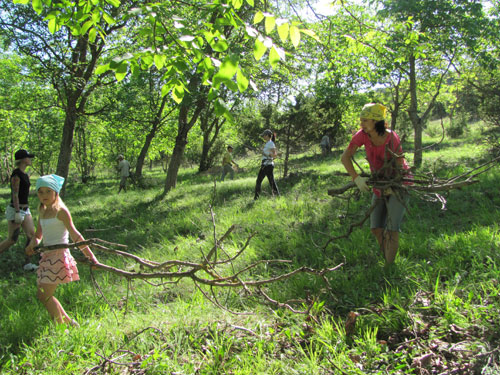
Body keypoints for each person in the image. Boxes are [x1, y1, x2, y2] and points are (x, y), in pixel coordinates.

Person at [341, 103, 410, 264]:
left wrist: (393, 187)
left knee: (392, 229)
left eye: (365, 120)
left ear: (376, 121)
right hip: (379, 184)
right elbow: (345, 157)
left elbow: (400, 164)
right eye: (361, 120)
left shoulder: (391, 137)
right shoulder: (362, 135)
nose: (361, 124)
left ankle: (389, 267)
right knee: (376, 227)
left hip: (399, 184)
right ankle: (387, 256)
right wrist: (356, 178)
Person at [25, 174, 99, 326]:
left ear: (55, 192)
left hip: (59, 256)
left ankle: (62, 326)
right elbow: (39, 234)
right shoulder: (43, 211)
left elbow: (75, 234)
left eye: (48, 191)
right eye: (40, 192)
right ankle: (69, 322)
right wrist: (33, 243)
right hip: (47, 256)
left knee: (44, 294)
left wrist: (90, 255)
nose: (44, 195)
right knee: (43, 294)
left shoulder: (61, 211)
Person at [0, 149, 38, 270]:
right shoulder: (16, 175)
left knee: (32, 235)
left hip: (26, 210)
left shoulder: (25, 174)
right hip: (16, 210)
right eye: (28, 157)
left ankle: (27, 263)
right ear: (22, 159)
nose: (30, 160)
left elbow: (24, 192)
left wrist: (41, 192)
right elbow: (15, 194)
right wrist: (17, 212)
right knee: (12, 239)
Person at [254, 129, 279, 200]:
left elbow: (274, 155)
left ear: (267, 135)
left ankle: (256, 198)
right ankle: (277, 196)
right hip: (267, 165)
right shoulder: (268, 143)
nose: (263, 137)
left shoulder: (270, 143)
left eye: (264, 135)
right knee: (272, 182)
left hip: (267, 165)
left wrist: (267, 154)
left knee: (258, 181)